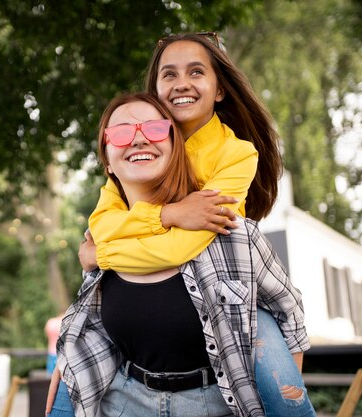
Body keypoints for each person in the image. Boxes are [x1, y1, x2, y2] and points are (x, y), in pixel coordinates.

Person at [79, 32, 315, 416]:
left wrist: (101, 254)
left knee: (272, 363)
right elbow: (104, 224)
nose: (182, 83)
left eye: (196, 72)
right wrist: (168, 214)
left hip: (229, 280)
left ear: (219, 89)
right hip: (139, 371)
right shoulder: (142, 150)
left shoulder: (236, 154)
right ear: (155, 91)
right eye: (169, 75)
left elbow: (186, 246)